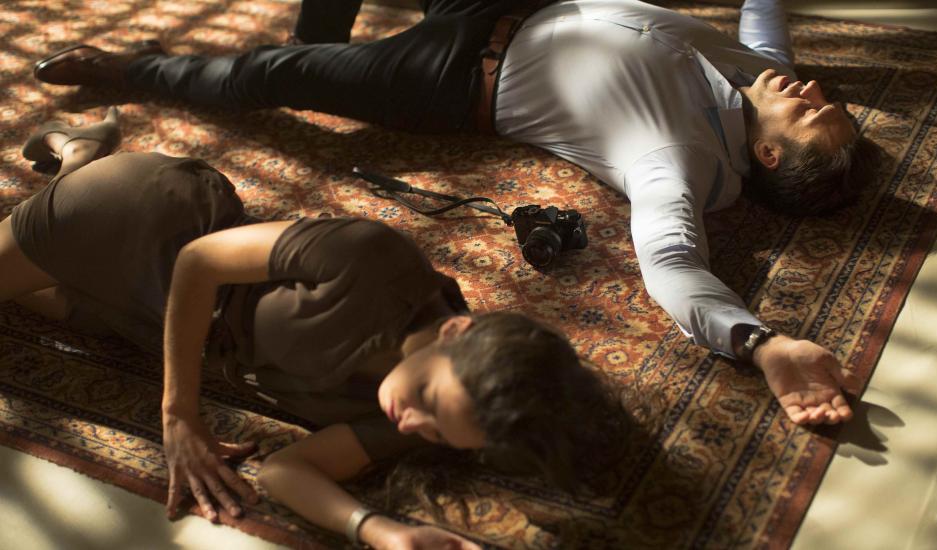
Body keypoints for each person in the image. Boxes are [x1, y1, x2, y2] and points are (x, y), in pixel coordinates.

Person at [31, 0, 872, 426]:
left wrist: (761, 343)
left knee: (272, 77)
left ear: (769, 156)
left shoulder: (675, 162)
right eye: (820, 96)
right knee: (301, 55)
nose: (808, 89)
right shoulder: (759, 74)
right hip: (518, 5)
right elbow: (767, 14)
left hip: (452, 74)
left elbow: (674, 265)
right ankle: (313, 42)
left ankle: (128, 69)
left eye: (809, 112)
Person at [3, 109, 622, 548]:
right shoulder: (373, 260)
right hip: (141, 218)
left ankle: (75, 154)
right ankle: (81, 172)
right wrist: (179, 417)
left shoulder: (422, 421)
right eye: (428, 399)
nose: (412, 422)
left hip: (159, 321)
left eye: (437, 431)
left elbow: (285, 471)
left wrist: (380, 532)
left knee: (43, 304)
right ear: (455, 332)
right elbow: (198, 261)